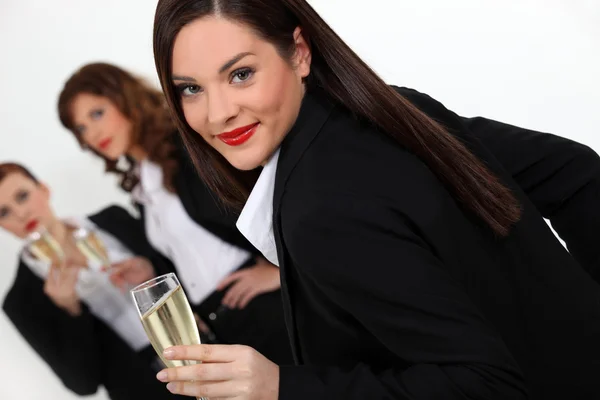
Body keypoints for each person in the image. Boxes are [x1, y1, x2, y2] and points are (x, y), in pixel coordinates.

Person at [149, 0, 600, 399]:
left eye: (240, 74)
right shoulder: (394, 109)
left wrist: (281, 387)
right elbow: (578, 173)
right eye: (191, 88)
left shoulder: (319, 209)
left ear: (300, 53)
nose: (217, 113)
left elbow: (488, 383)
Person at [56, 62, 293, 364]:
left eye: (97, 113)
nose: (92, 133)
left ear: (123, 97)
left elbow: (268, 196)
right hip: (223, 325)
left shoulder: (188, 147)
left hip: (268, 307)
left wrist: (279, 270)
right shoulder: (143, 189)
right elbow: (190, 252)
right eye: (81, 128)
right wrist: (149, 268)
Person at [0, 162, 185, 400]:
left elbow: (188, 276)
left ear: (44, 189)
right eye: (4, 213)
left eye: (22, 196)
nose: (21, 214)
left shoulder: (113, 219)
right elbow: (83, 384)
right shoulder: (20, 301)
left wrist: (151, 272)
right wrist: (71, 311)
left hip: (197, 346)